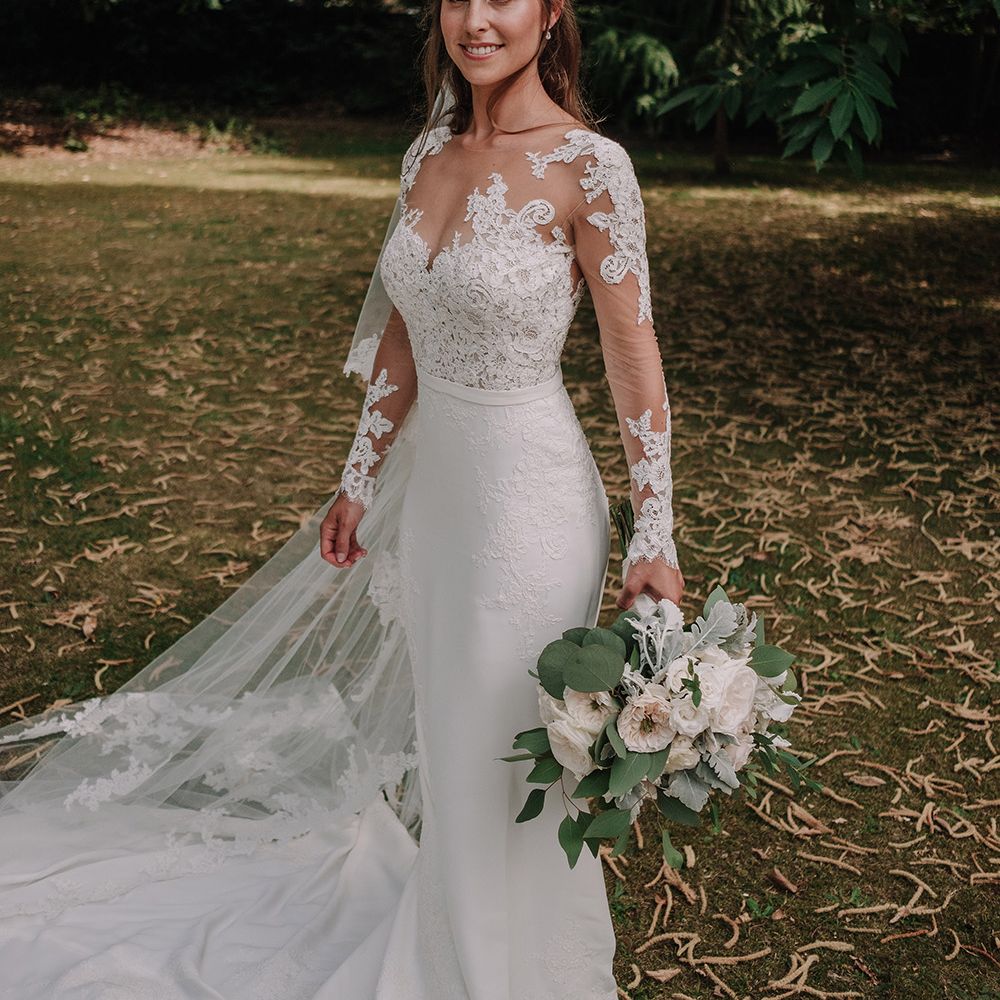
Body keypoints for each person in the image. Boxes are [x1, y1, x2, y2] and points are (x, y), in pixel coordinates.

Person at [0, 0, 683, 996]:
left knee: (513, 746)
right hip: (439, 499)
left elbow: (634, 362)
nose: (475, 20)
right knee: (453, 739)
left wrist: (651, 533)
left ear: (550, 13)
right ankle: (448, 936)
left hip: (528, 504)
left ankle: (512, 969)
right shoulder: (426, 154)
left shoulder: (590, 168)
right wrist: (358, 477)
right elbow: (402, 341)